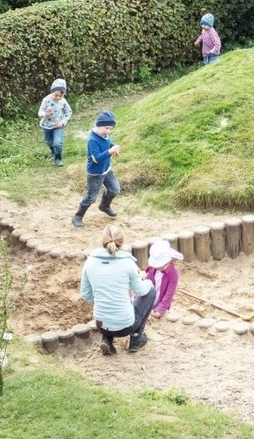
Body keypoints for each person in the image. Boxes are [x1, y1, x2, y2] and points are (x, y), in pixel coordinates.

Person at [80, 225, 155, 355]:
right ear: (122, 241)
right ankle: (136, 337)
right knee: (151, 291)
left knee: (109, 309)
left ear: (102, 240)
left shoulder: (90, 262)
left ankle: (107, 339)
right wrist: (147, 281)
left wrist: (102, 300)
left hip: (101, 324)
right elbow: (142, 291)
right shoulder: (128, 263)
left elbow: (85, 294)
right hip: (126, 326)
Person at [72, 110, 121, 228]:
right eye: (106, 128)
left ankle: (104, 206)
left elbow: (107, 143)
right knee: (91, 197)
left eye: (110, 129)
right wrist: (110, 151)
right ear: (97, 125)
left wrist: (114, 146)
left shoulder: (105, 135)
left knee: (115, 189)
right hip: (95, 173)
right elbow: (96, 159)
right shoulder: (92, 140)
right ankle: (77, 216)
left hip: (106, 169)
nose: (108, 131)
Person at [38, 78, 73, 167]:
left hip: (58, 126)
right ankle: (53, 150)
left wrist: (62, 122)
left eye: (60, 96)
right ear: (52, 92)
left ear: (64, 94)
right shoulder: (46, 100)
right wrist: (45, 114)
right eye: (56, 95)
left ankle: (58, 159)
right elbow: (40, 112)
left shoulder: (63, 102)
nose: (58, 98)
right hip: (46, 126)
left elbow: (69, 112)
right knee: (49, 142)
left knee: (57, 143)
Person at [145, 239, 184, 319]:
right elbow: (147, 281)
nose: (157, 267)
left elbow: (169, 294)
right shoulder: (153, 268)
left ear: (168, 261)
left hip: (160, 299)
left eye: (159, 266)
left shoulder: (173, 274)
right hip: (150, 296)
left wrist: (161, 308)